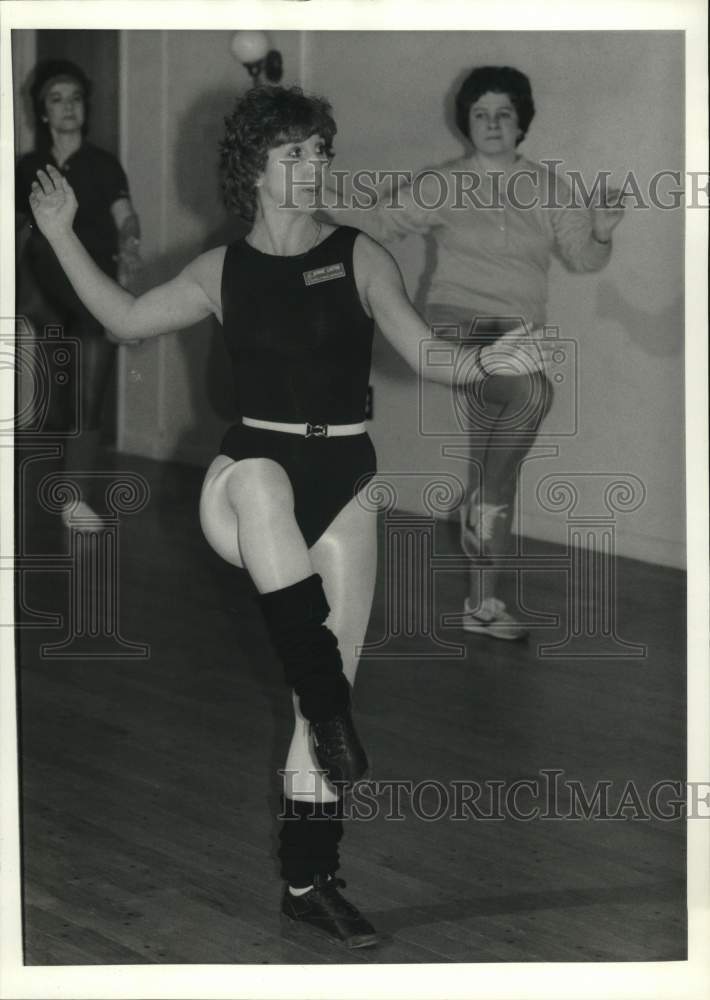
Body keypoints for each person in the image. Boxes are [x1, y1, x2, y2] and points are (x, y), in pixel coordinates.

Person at [27, 84, 476, 950]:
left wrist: (489, 361)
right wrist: (58, 233)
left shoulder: (359, 255)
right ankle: (326, 697)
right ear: (255, 169)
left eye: (320, 151)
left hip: (346, 478)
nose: (313, 165)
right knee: (267, 487)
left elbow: (427, 353)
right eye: (293, 153)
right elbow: (124, 320)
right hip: (245, 480)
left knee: (322, 714)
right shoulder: (219, 271)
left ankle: (311, 880)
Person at [327, 65, 625, 640]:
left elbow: (584, 257)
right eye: (480, 113)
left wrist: (603, 231)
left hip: (519, 333)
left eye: (503, 113)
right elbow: (382, 222)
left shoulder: (550, 188)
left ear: (521, 122)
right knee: (532, 394)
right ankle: (479, 506)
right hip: (457, 326)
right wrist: (318, 196)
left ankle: (482, 605)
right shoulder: (445, 184)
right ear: (466, 123)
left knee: (500, 472)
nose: (492, 123)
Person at [15, 59, 142, 530]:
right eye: (57, 99)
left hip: (93, 295)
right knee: (56, 402)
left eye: (75, 98)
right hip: (43, 298)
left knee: (88, 398)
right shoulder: (29, 167)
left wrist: (130, 246)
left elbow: (126, 218)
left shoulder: (103, 164)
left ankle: (74, 501)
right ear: (42, 111)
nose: (68, 107)